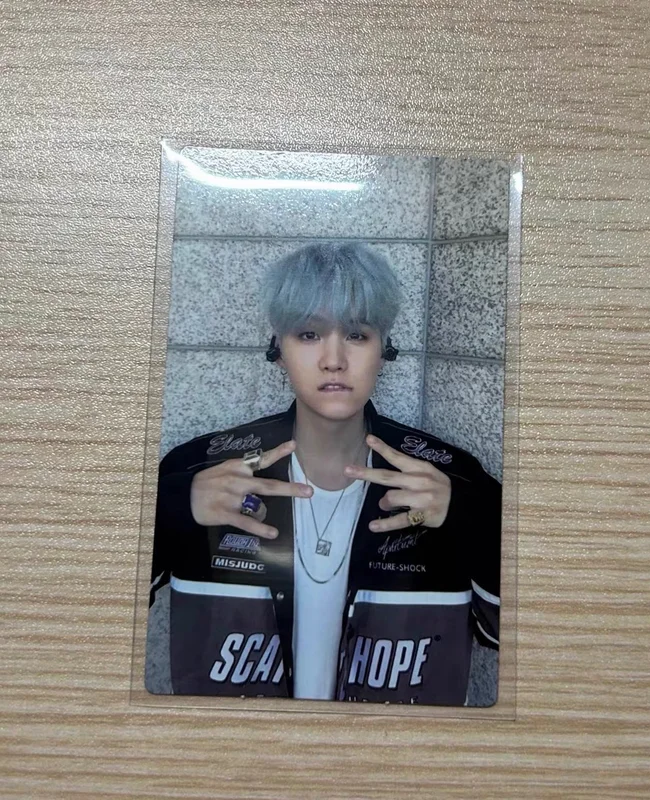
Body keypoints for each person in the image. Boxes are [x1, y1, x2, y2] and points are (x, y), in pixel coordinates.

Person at [148, 242, 501, 706]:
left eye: (356, 334)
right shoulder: (200, 470)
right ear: (278, 350)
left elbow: (517, 636)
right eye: (309, 334)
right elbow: (80, 613)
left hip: (394, 751)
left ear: (384, 349)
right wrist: (174, 505)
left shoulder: (451, 480)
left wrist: (468, 516)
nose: (334, 359)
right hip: (235, 748)